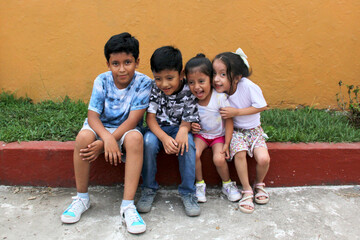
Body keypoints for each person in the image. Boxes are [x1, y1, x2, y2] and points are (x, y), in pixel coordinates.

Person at [60, 32, 152, 234]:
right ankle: (82, 199)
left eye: (127, 62)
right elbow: (92, 116)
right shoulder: (101, 81)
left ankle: (128, 206)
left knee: (136, 139)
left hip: (127, 129)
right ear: (108, 64)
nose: (121, 69)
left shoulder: (144, 83)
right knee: (83, 137)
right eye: (115, 63)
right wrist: (106, 138)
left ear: (137, 61)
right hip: (101, 127)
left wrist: (107, 142)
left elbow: (133, 120)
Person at [136, 46, 201, 217]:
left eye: (170, 78)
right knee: (148, 143)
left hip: (180, 128)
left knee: (188, 146)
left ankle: (188, 192)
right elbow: (150, 119)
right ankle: (149, 188)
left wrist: (183, 130)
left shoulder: (189, 89)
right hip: (157, 130)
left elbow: (188, 119)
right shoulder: (155, 88)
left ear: (181, 74)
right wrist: (164, 138)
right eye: (158, 78)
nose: (164, 84)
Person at [212, 48, 270, 214]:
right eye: (215, 73)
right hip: (236, 131)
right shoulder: (219, 93)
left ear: (237, 77)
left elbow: (262, 106)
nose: (216, 79)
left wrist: (237, 112)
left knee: (264, 159)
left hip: (254, 130)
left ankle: (259, 184)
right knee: (240, 153)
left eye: (223, 74)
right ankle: (246, 190)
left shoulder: (248, 87)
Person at [185, 54, 241, 203]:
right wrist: (192, 126)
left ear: (210, 79)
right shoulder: (191, 100)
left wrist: (227, 143)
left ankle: (227, 184)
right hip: (201, 136)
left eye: (201, 81)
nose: (196, 87)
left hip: (218, 136)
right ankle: (199, 184)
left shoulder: (219, 98)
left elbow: (229, 121)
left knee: (219, 158)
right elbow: (186, 119)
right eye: (191, 82)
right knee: (194, 154)